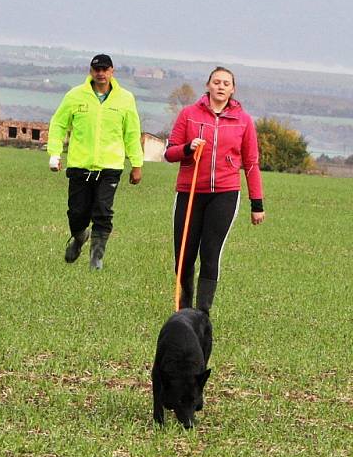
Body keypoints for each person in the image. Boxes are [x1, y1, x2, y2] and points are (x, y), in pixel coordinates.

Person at [165, 66, 265, 314]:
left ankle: (202, 313)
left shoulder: (244, 121)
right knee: (184, 256)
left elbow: (251, 163)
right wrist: (188, 147)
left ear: (233, 89)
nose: (221, 86)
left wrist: (257, 204)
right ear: (208, 85)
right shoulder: (188, 114)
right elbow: (170, 152)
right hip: (189, 193)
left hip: (225, 193)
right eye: (216, 82)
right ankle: (183, 310)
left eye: (226, 83)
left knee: (210, 253)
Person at [47, 54, 143, 269]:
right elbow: (58, 125)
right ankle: (80, 237)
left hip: (110, 166)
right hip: (80, 165)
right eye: (96, 69)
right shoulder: (75, 95)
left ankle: (96, 258)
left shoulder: (125, 99)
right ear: (91, 71)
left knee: (103, 211)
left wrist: (137, 164)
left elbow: (132, 133)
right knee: (76, 213)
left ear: (112, 71)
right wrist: (55, 153)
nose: (101, 73)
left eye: (105, 69)